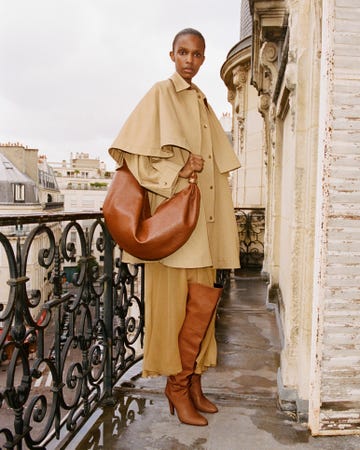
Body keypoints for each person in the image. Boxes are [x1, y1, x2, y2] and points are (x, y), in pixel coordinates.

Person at [108, 28, 240, 426]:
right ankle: (176, 388)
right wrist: (179, 169)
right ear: (171, 54)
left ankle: (194, 382)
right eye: (183, 52)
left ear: (202, 59)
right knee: (174, 313)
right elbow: (135, 158)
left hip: (201, 226)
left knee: (201, 308)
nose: (189, 60)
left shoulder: (200, 101)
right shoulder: (160, 94)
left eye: (197, 55)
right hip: (173, 228)